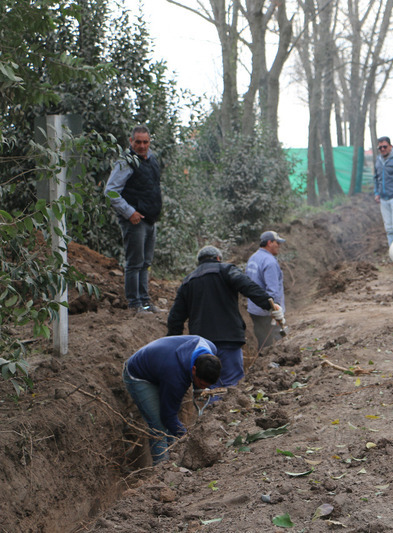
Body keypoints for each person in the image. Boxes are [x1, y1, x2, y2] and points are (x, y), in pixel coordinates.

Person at [166, 245, 282, 389]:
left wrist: (173, 348)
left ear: (199, 261)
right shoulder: (226, 270)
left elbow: (175, 318)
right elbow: (248, 286)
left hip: (202, 344)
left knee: (205, 386)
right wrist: (269, 304)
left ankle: (208, 404)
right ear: (218, 258)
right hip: (229, 338)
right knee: (231, 386)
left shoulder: (188, 281)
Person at [122, 335, 221, 464]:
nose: (203, 388)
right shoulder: (175, 376)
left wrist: (198, 389)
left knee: (170, 420)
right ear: (194, 369)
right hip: (139, 375)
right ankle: (162, 468)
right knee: (159, 426)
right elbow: (168, 416)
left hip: (160, 366)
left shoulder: (210, 350)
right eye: (201, 384)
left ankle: (174, 457)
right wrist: (187, 438)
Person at [104, 125, 163, 314]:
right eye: (138, 142)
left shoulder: (151, 160)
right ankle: (135, 304)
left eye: (145, 142)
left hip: (150, 220)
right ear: (131, 141)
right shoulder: (126, 162)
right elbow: (110, 192)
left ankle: (145, 302)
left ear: (149, 142)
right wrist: (129, 212)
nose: (142, 146)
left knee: (145, 263)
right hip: (134, 221)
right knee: (135, 263)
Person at [246, 231, 287, 354]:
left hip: (254, 309)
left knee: (262, 342)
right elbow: (272, 292)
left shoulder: (253, 258)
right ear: (269, 243)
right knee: (275, 344)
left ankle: (262, 363)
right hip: (267, 313)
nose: (279, 245)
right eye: (277, 243)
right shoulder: (270, 262)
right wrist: (276, 311)